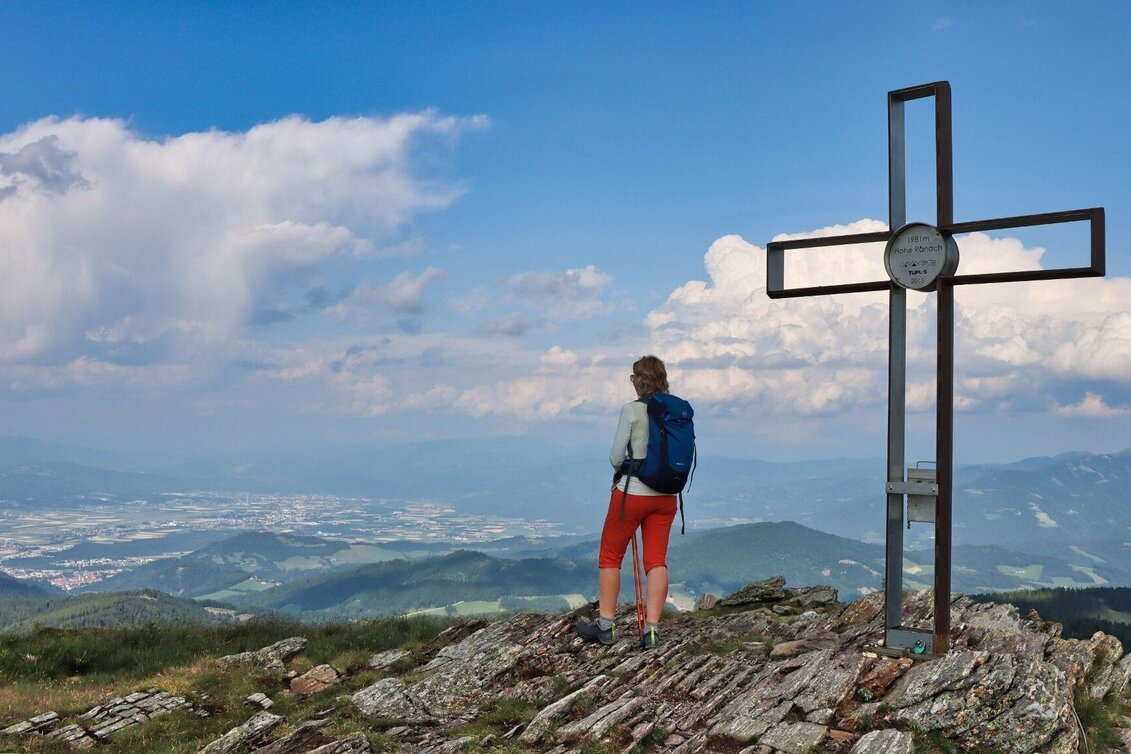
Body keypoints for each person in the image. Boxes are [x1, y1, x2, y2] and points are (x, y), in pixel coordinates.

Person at [576, 355, 678, 650]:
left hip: (632, 494)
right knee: (656, 560)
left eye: (633, 377)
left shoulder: (632, 410)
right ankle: (653, 631)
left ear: (639, 380)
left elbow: (615, 457)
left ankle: (605, 626)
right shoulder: (676, 410)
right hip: (667, 497)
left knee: (610, 557)